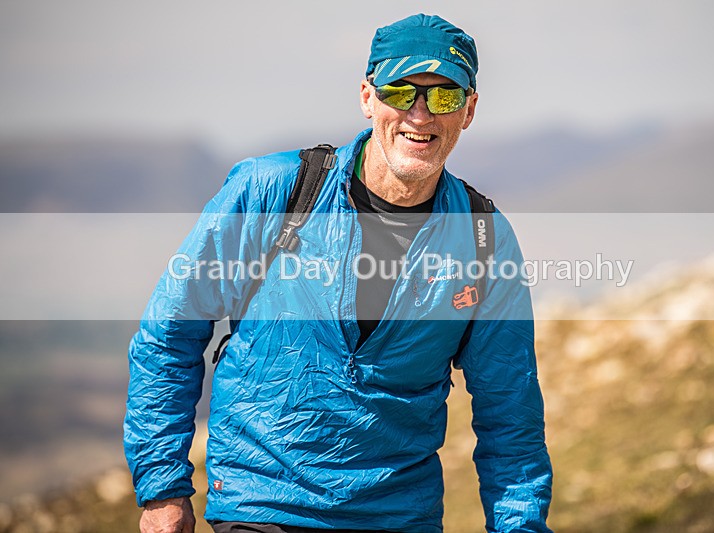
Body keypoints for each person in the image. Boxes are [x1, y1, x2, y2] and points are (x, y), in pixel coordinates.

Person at [125, 13, 553, 533]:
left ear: (469, 112)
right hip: (262, 505)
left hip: (398, 516)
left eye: (444, 97)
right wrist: (162, 488)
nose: (420, 115)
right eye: (401, 92)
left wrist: (520, 526)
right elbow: (170, 332)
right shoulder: (275, 191)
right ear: (368, 97)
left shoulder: (484, 238)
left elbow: (511, 412)